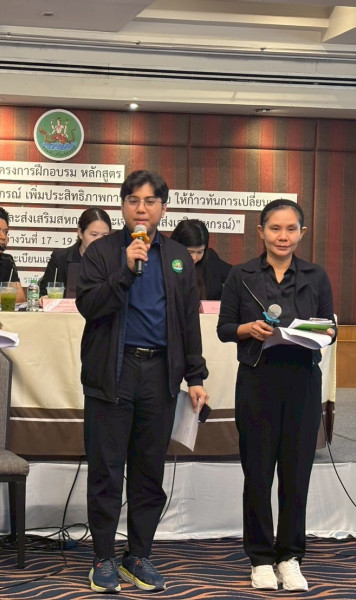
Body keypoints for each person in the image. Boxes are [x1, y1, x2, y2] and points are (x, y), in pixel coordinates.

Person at [76, 169, 209, 593]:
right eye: (133, 200)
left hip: (159, 374)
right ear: (122, 205)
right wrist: (126, 270)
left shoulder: (178, 257)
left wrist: (195, 375)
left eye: (150, 201)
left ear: (163, 208)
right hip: (112, 373)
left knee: (149, 471)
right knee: (106, 470)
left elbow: (188, 320)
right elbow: (89, 305)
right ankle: (103, 557)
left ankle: (138, 555)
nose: (141, 208)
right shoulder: (103, 252)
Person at [216, 199, 337, 592]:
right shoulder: (241, 275)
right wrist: (248, 329)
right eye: (275, 228)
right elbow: (224, 328)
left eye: (290, 229)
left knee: (296, 475)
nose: (283, 236)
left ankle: (290, 557)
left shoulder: (316, 276)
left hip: (302, 382)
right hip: (258, 381)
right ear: (261, 232)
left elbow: (331, 328)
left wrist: (324, 332)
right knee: (258, 474)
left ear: (302, 233)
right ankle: (260, 559)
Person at [38, 207, 112, 297]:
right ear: (80, 233)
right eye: (94, 235)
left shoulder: (115, 261)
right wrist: (45, 299)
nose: (99, 241)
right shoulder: (59, 259)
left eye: (105, 236)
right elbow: (44, 294)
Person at [170, 218, 232, 301]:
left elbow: (236, 276)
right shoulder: (165, 261)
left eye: (200, 252)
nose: (194, 257)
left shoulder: (210, 259)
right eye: (190, 252)